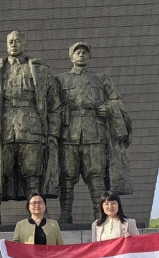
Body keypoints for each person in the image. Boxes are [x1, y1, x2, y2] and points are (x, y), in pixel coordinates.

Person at [0, 30, 61, 224]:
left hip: (32, 128)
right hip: (2, 129)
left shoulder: (41, 70)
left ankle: (36, 214)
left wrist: (52, 134)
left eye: (17, 41)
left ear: (25, 44)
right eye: (10, 41)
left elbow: (54, 105)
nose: (13, 44)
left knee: (32, 174)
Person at [56, 42, 133, 223]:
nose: (81, 55)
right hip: (68, 134)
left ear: (89, 56)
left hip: (95, 134)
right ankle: (65, 214)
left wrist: (109, 108)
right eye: (77, 52)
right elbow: (52, 105)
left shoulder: (101, 79)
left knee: (97, 177)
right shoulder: (60, 80)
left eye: (84, 52)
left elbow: (117, 101)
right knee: (67, 176)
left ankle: (100, 215)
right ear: (71, 56)